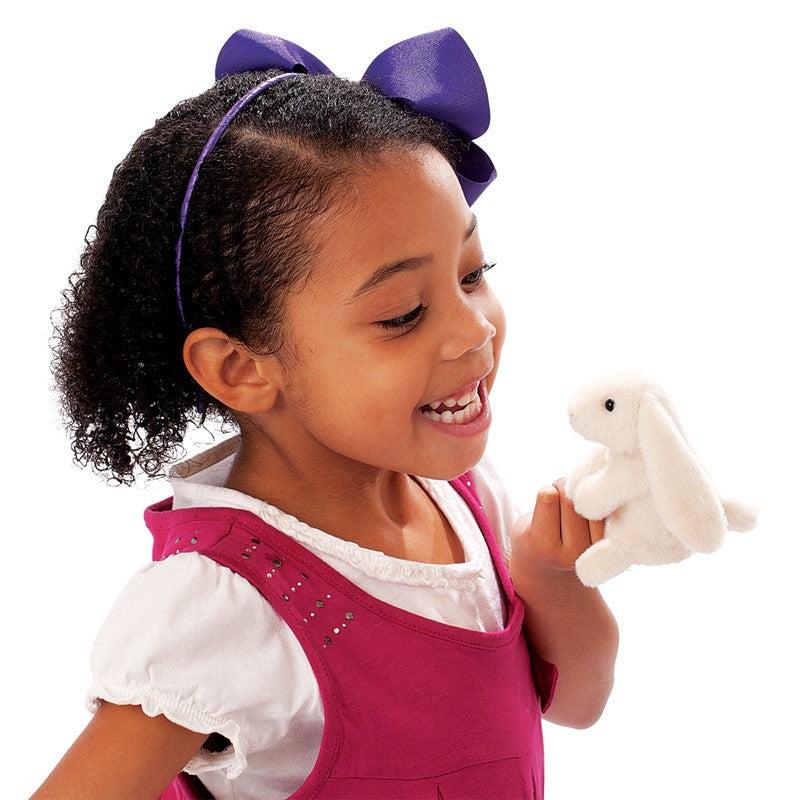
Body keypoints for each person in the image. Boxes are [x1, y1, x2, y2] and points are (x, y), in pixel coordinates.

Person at [34, 27, 618, 800]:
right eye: (404, 313)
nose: (474, 328)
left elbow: (577, 703)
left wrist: (551, 574)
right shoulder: (221, 607)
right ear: (241, 369)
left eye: (474, 273)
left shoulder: (469, 501)